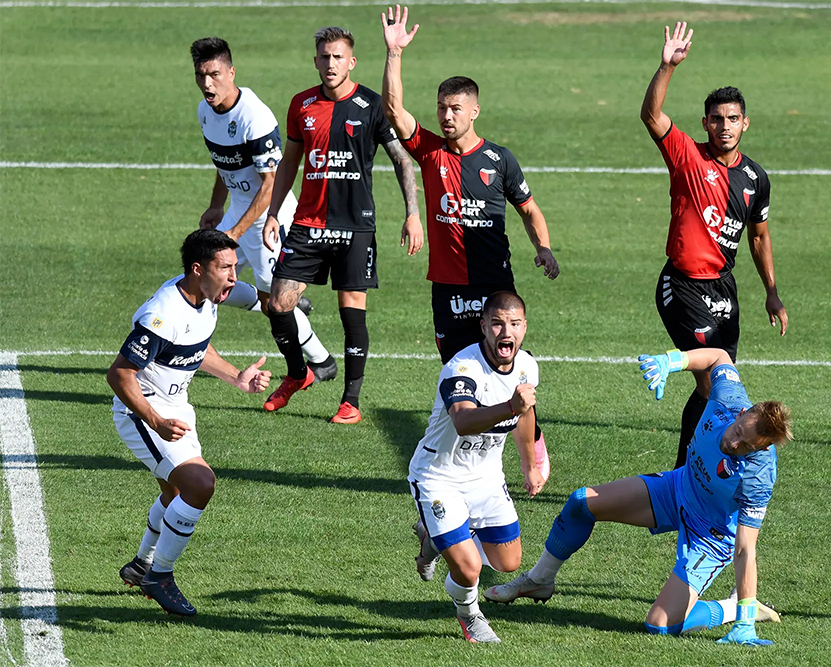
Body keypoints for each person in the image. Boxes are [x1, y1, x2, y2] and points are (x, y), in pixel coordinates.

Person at [484, 347, 790, 646]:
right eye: (738, 431)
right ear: (742, 413)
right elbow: (719, 356)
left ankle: (732, 608)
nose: (734, 444)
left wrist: (744, 620)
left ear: (762, 447)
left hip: (711, 534)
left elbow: (745, 548)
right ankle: (539, 579)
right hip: (678, 488)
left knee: (659, 625)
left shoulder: (759, 475)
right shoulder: (729, 397)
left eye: (746, 445)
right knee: (580, 502)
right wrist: (670, 361)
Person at [380, 3, 556, 488]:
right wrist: (394, 54)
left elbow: (529, 209)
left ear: (474, 111)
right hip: (448, 287)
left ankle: (532, 449)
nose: (447, 115)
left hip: (494, 285)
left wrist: (543, 247)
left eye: (455, 108)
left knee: (505, 371)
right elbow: (393, 111)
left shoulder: (499, 159)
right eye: (442, 107)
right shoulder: (430, 151)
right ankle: (461, 469)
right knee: (459, 378)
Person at [639, 22, 788, 469]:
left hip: (724, 289)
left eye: (732, 119)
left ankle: (691, 468)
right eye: (717, 119)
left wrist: (772, 292)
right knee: (709, 379)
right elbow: (651, 115)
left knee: (719, 382)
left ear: (745, 123)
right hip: (682, 285)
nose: (725, 126)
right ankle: (687, 472)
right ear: (706, 123)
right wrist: (667, 67)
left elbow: (759, 236)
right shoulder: (687, 155)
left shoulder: (755, 178)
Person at [261, 26, 423, 424]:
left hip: (355, 227)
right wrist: (273, 213)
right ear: (315, 61)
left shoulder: (371, 105)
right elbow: (289, 163)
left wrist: (412, 213)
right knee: (277, 304)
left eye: (338, 57)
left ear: (351, 62)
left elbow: (402, 159)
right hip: (308, 223)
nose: (330, 64)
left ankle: (350, 401)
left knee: (351, 312)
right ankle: (298, 373)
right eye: (324, 57)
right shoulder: (301, 105)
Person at [110, 230, 272, 617]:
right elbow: (119, 374)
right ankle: (160, 576)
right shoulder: (163, 315)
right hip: (143, 411)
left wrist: (236, 377)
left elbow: (195, 345)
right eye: (225, 268)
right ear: (198, 269)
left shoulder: (205, 298)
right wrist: (155, 421)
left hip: (176, 408)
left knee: (174, 494)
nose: (233, 277)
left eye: (235, 267)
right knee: (200, 484)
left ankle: (142, 565)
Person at [190, 37, 337, 383]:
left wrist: (234, 234)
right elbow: (225, 163)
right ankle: (269, 300)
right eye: (200, 75)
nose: (207, 84)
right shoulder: (205, 112)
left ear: (231, 72)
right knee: (203, 278)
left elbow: (270, 184)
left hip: (270, 219)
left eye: (214, 74)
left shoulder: (253, 117)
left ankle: (322, 361)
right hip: (238, 214)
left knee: (277, 305)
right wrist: (216, 205)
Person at [407, 291, 546, 643]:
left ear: (524, 327)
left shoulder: (527, 367)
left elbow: (525, 414)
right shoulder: (462, 369)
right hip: (438, 477)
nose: (506, 332)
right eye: (497, 324)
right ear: (483, 326)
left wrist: (530, 465)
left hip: (486, 478)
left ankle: (436, 538)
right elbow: (463, 422)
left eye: (514, 324)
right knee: (469, 568)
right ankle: (470, 616)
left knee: (509, 561)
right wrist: (510, 406)